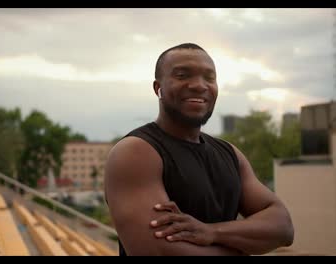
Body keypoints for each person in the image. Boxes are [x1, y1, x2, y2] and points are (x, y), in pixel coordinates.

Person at [104, 43, 294, 256]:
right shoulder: (136, 152)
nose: (198, 85)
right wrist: (242, 249)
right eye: (183, 75)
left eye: (209, 77)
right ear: (158, 88)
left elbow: (283, 226)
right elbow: (156, 251)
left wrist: (212, 232)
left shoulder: (230, 154)